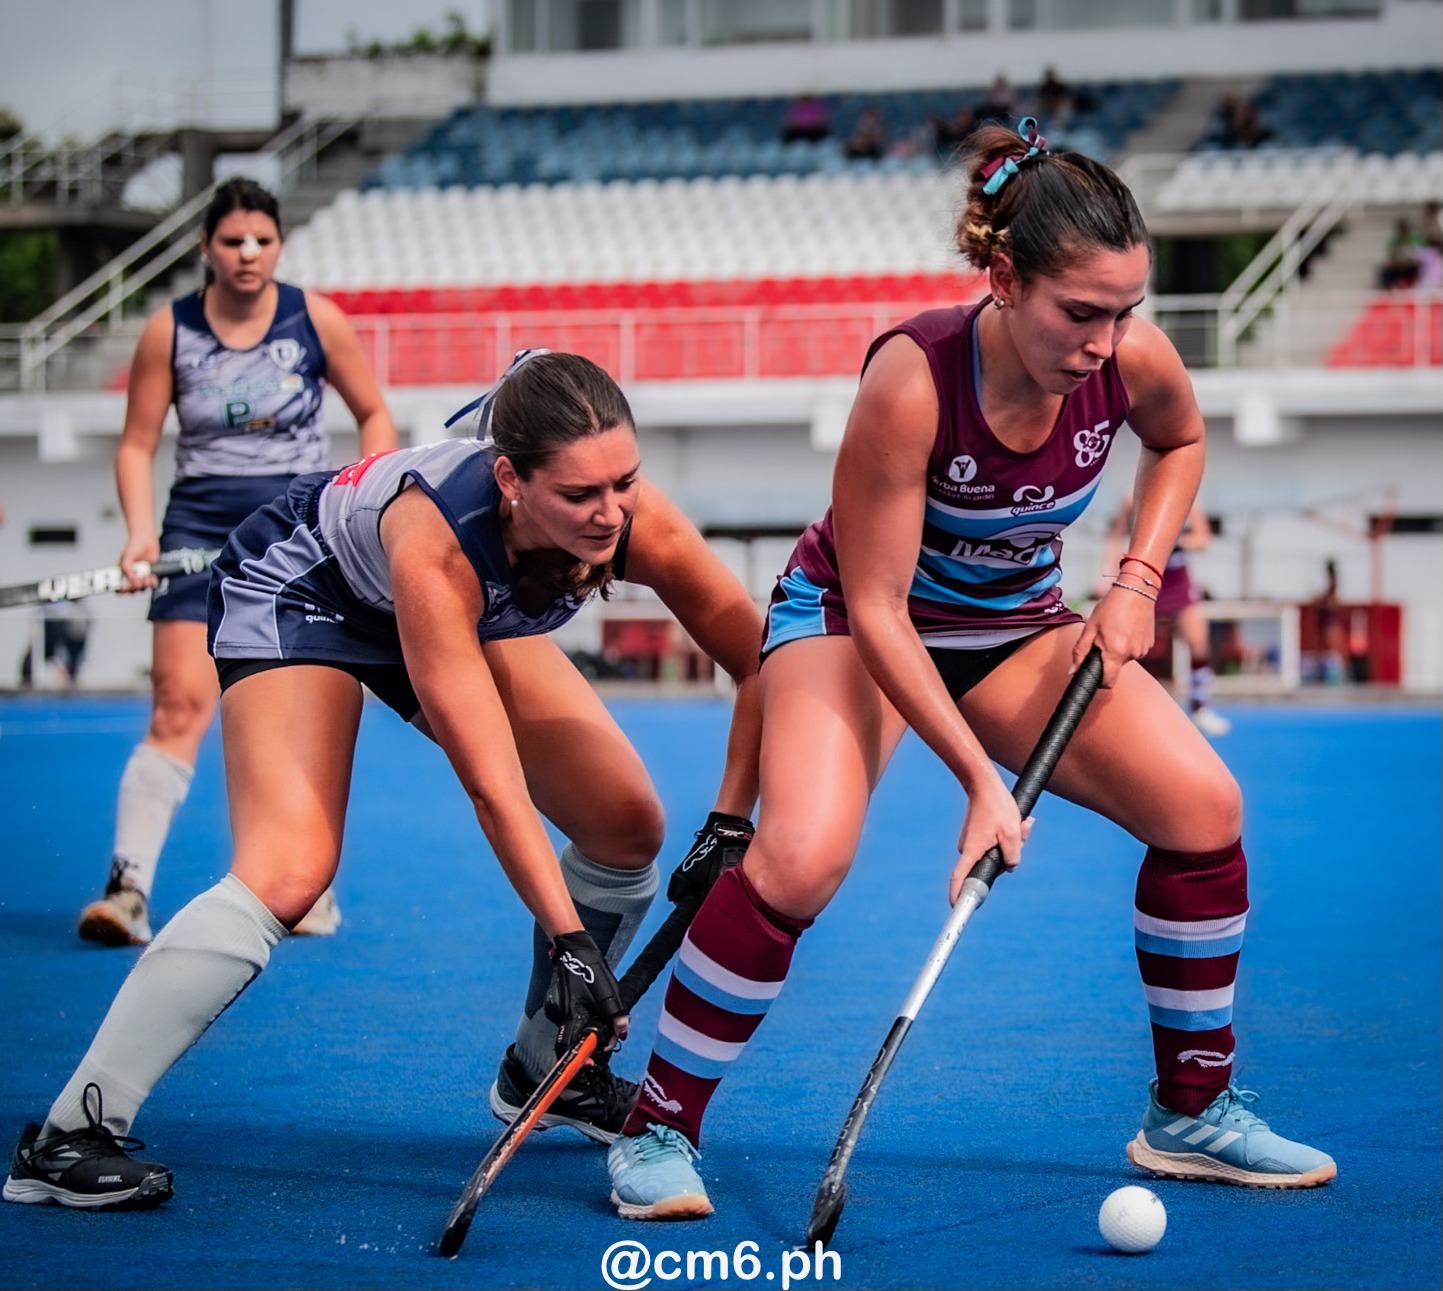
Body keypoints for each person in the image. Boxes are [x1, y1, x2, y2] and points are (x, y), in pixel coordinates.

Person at [603, 119, 1337, 1221]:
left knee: (1204, 806)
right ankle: (659, 1125)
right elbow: (883, 610)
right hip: (854, 619)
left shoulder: (1127, 358)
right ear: (1004, 279)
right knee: (800, 859)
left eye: (1123, 312)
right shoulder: (913, 379)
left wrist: (1136, 578)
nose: (1105, 340)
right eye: (1079, 312)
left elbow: (1179, 441)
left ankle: (1190, 1113)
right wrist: (981, 783)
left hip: (1015, 623)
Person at [3, 349, 764, 1211]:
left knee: (626, 823)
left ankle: (541, 1070)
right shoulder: (437, 543)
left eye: (623, 481)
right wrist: (569, 945)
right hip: (310, 591)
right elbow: (493, 783)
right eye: (580, 495)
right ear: (510, 479)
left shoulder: (635, 522)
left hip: (462, 611)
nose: (608, 513)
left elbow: (762, 660)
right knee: (291, 867)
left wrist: (731, 818)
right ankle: (67, 1135)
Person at [75, 177, 398, 949]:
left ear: (278, 245)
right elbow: (137, 443)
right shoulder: (170, 331)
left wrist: (368, 502)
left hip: (297, 532)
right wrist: (139, 533)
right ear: (205, 250)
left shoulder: (316, 320)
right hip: (197, 527)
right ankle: (127, 890)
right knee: (178, 706)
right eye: (232, 241)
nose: (248, 253)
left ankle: (301, 884)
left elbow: (374, 414)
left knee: (302, 714)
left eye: (261, 239)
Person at [1097, 491, 1231, 737]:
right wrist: (1106, 574)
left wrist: (1173, 541)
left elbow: (1203, 539)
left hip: (1178, 577)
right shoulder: (1131, 498)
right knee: (1131, 644)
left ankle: (1201, 708)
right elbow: (1116, 537)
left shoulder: (1189, 498)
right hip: (1144, 577)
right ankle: (1122, 710)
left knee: (1198, 641)